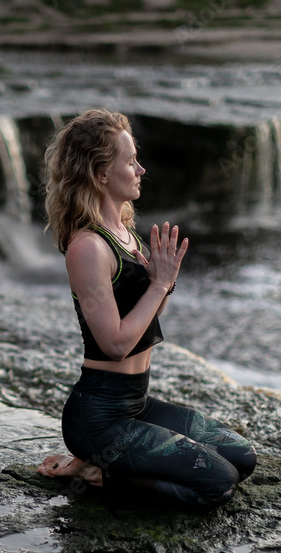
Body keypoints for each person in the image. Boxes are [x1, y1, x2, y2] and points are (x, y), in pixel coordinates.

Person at [36, 109, 256, 509]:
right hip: (99, 418)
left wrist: (163, 284)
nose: (140, 168)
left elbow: (143, 324)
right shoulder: (89, 247)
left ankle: (102, 466)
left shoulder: (124, 234)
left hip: (136, 403)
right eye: (130, 160)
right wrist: (157, 284)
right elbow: (116, 344)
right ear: (101, 173)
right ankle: (94, 471)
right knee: (217, 483)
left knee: (241, 456)